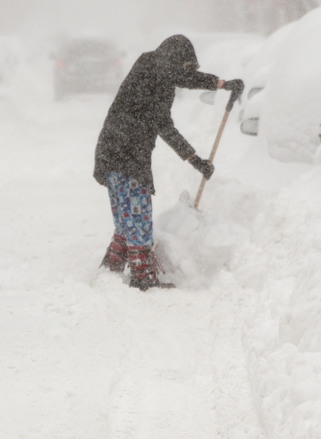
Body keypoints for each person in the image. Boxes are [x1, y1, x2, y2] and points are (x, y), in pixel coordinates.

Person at [93, 34, 243, 290]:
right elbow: (165, 126)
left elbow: (184, 78)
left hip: (113, 152)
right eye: (183, 66)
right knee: (139, 215)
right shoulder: (156, 75)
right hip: (127, 154)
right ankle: (142, 276)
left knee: (126, 215)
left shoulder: (151, 66)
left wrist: (221, 84)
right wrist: (195, 160)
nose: (183, 74)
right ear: (174, 60)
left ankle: (112, 266)